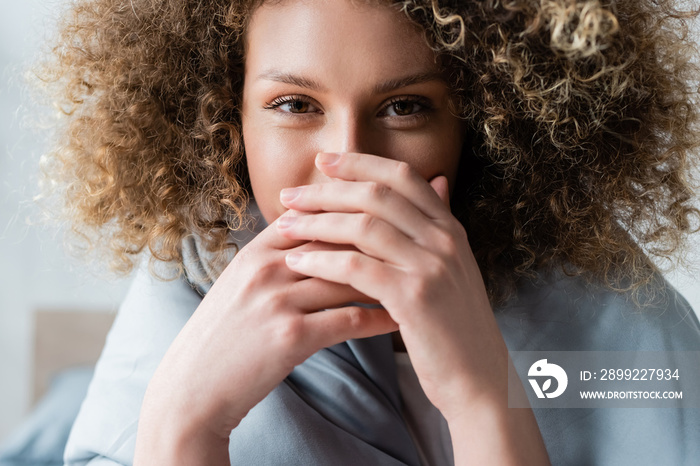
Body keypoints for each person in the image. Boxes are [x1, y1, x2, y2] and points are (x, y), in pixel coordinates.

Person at [33, 0, 700, 464]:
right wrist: (185, 422)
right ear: (228, 118)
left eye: (405, 107)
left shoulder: (609, 311)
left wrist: (480, 395)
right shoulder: (186, 279)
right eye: (294, 105)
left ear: (485, 124)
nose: (347, 163)